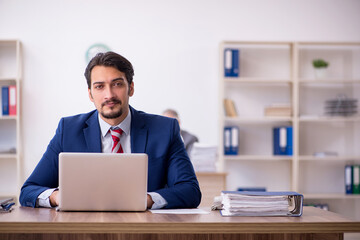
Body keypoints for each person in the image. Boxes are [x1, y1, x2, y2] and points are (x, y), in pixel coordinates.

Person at [20, 52, 201, 209]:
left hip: (144, 229)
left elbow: (190, 191)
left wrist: (145, 200)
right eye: (99, 87)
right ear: (90, 94)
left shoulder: (164, 130)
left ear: (131, 87)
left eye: (117, 84)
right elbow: (29, 190)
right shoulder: (68, 130)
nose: (109, 95)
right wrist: (57, 196)